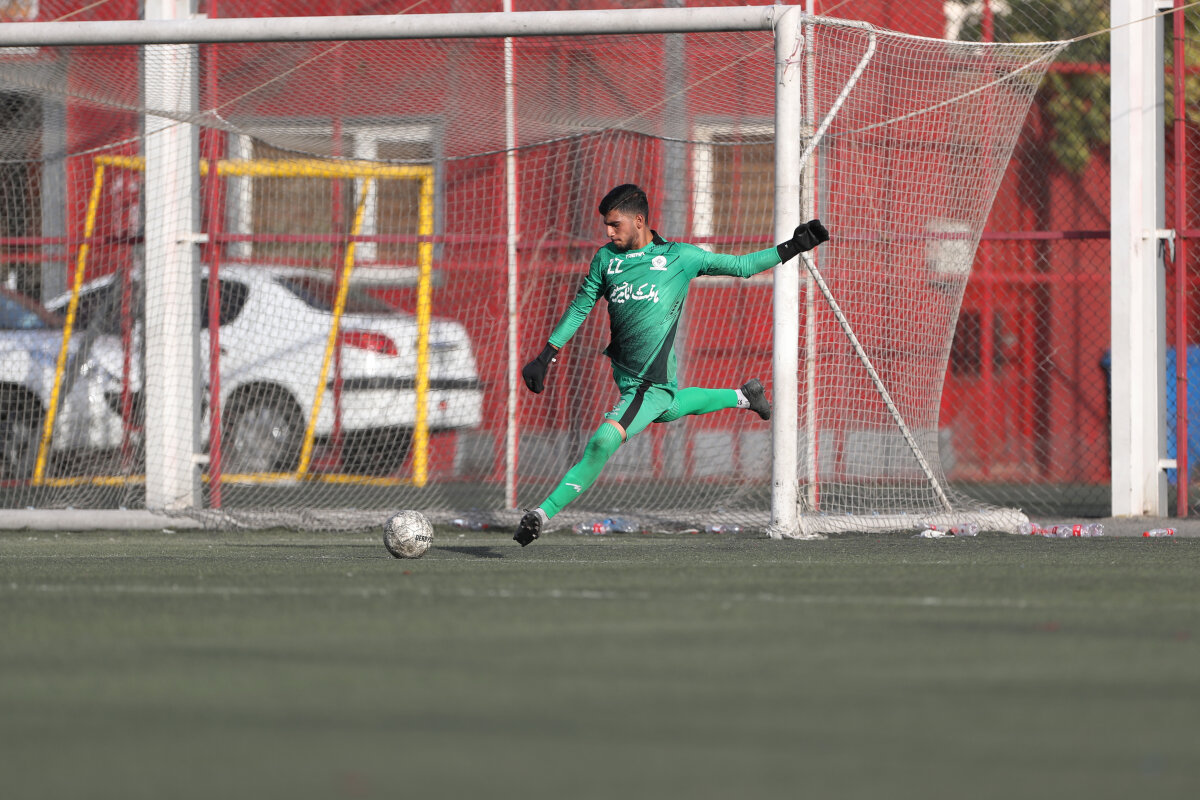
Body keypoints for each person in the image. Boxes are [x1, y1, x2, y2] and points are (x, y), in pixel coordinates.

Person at [514, 183, 828, 546]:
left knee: (603, 441)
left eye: (615, 224)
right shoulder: (605, 259)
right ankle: (743, 396)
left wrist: (793, 247)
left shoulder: (680, 257)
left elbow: (742, 266)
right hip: (627, 378)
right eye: (606, 226)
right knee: (669, 409)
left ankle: (540, 514)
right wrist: (546, 356)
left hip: (651, 381)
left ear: (639, 221)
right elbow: (580, 307)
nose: (609, 232)